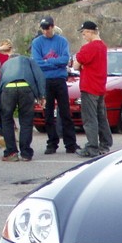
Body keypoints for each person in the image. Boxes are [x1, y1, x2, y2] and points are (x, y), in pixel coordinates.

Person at [31, 16, 79, 154]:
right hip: (45, 80)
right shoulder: (37, 42)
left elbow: (65, 59)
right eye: (44, 29)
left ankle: (71, 143)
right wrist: (54, 63)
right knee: (48, 113)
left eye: (48, 28)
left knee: (65, 112)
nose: (46, 31)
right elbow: (37, 62)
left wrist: (48, 63)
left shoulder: (61, 41)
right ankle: (52, 143)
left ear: (53, 27)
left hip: (59, 79)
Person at [0, 52, 45, 161]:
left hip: (8, 89)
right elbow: (39, 76)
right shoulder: (28, 60)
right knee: (26, 121)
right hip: (26, 88)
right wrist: (42, 96)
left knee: (7, 120)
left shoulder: (5, 65)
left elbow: (0, 84)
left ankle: (11, 153)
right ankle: (26, 153)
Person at [72, 21, 111, 158]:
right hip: (100, 85)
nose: (83, 36)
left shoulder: (88, 48)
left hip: (89, 86)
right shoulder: (103, 46)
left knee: (90, 118)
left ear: (89, 32)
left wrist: (81, 65)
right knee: (101, 117)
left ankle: (92, 147)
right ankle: (105, 144)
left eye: (84, 33)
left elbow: (76, 65)